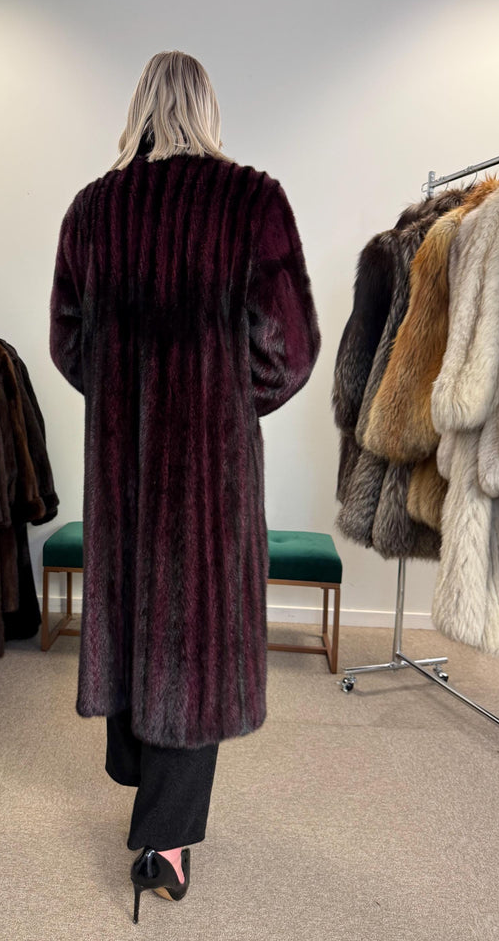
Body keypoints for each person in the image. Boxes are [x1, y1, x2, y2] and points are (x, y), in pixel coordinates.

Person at [50, 50, 320, 923]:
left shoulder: (92, 211)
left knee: (134, 621)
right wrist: (221, 400)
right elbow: (290, 351)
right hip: (209, 471)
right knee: (192, 643)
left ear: (139, 108)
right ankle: (164, 844)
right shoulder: (252, 201)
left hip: (124, 465)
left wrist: (126, 395)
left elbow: (69, 343)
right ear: (206, 108)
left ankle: (148, 797)